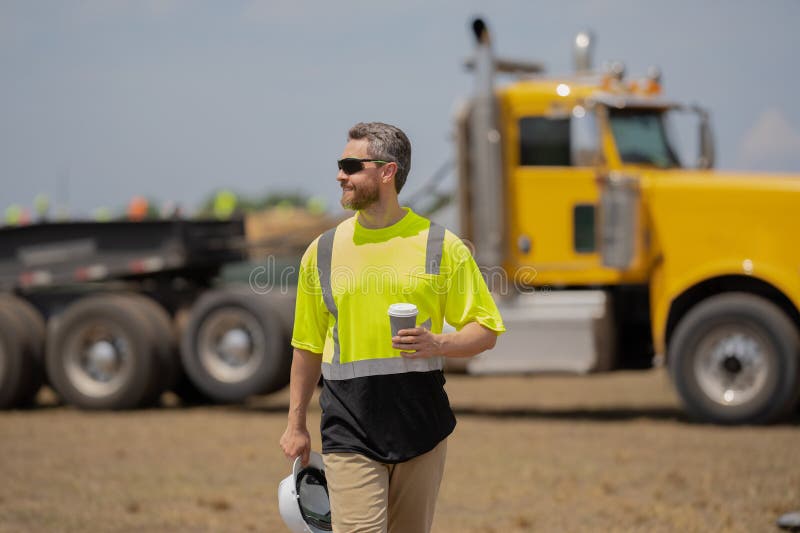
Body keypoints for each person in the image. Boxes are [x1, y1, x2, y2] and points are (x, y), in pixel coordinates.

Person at [280, 122, 505, 533]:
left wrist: (438, 341)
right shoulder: (324, 251)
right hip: (349, 425)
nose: (339, 175)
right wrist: (296, 423)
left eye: (350, 165)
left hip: (422, 425)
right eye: (340, 165)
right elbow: (307, 345)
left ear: (387, 171)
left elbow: (485, 330)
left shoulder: (441, 245)